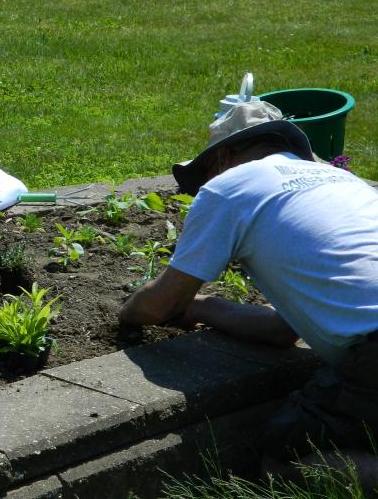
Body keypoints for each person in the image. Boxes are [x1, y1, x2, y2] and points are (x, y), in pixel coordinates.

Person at [119, 100, 378, 482]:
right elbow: (283, 331)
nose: (201, 189)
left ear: (223, 157)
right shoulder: (345, 183)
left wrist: (127, 311)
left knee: (285, 463)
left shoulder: (229, 187)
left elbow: (160, 305)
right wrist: (203, 309)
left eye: (203, 175)